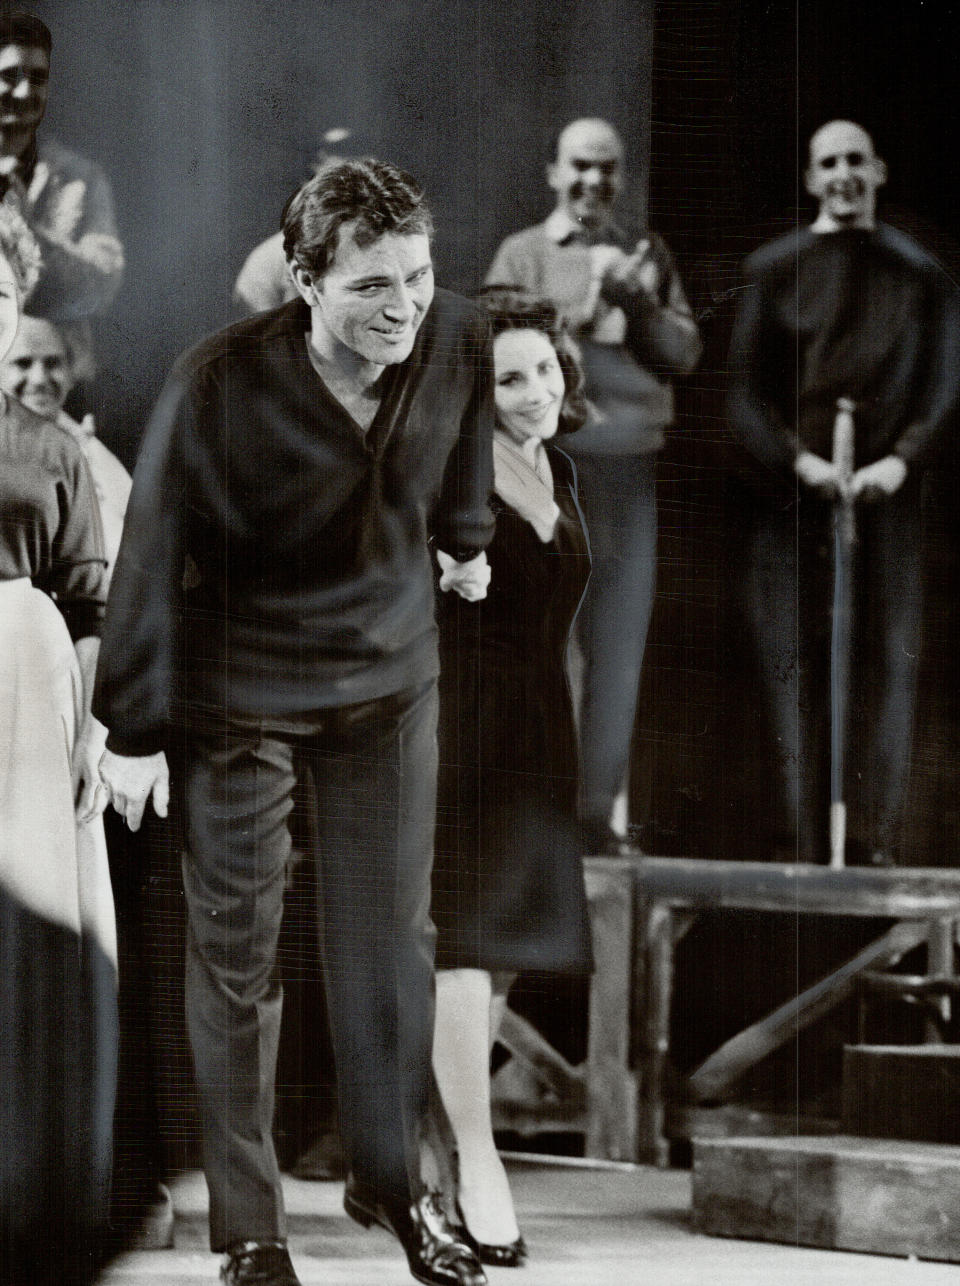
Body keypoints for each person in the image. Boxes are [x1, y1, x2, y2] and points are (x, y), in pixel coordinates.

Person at [94, 157, 493, 1286]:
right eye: (372, 285)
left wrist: (465, 537)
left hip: (391, 677)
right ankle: (252, 1229)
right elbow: (151, 548)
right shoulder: (218, 381)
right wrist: (130, 724)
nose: (405, 305)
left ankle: (395, 1184)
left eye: (417, 275)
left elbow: (462, 452)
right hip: (244, 688)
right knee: (239, 960)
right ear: (305, 283)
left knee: (389, 948)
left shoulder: (453, 336)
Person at [727, 120, 960, 864]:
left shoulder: (923, 276)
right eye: (829, 163)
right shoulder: (772, 269)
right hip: (790, 499)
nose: (844, 174)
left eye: (856, 160)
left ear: (880, 170)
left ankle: (873, 839)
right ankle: (796, 838)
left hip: (887, 500)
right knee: (789, 661)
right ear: (810, 178)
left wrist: (900, 461)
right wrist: (799, 463)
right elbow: (742, 395)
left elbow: (945, 386)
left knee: (888, 658)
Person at [431, 289, 592, 1266]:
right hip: (464, 727)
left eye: (546, 369)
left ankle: (440, 1144)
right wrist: (444, 574)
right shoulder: (452, 471)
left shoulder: (557, 464)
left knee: (508, 947)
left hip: (539, 732)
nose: (536, 392)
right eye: (510, 378)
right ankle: (477, 1157)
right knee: (467, 943)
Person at [487, 117, 701, 854]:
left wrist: (638, 302)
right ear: (553, 170)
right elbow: (494, 347)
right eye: (580, 166)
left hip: (630, 477)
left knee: (620, 647)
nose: (593, 182)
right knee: (546, 642)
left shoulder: (647, 254)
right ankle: (538, 816)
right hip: (551, 476)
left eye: (607, 169)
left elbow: (683, 355)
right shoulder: (523, 254)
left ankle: (592, 818)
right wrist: (584, 305)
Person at [0, 197, 116, 1286]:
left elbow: (87, 603)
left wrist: (89, 729)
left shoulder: (51, 446)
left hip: (27, 680)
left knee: (28, 903)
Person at [0, 12, 124, 378]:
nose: (25, 92)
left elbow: (102, 287)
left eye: (38, 79)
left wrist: (27, 225)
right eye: (9, 76)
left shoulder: (79, 179)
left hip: (50, 380)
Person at [0, 312, 130, 574]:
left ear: (71, 372)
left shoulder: (89, 452)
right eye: (23, 363)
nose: (39, 379)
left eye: (52, 363)